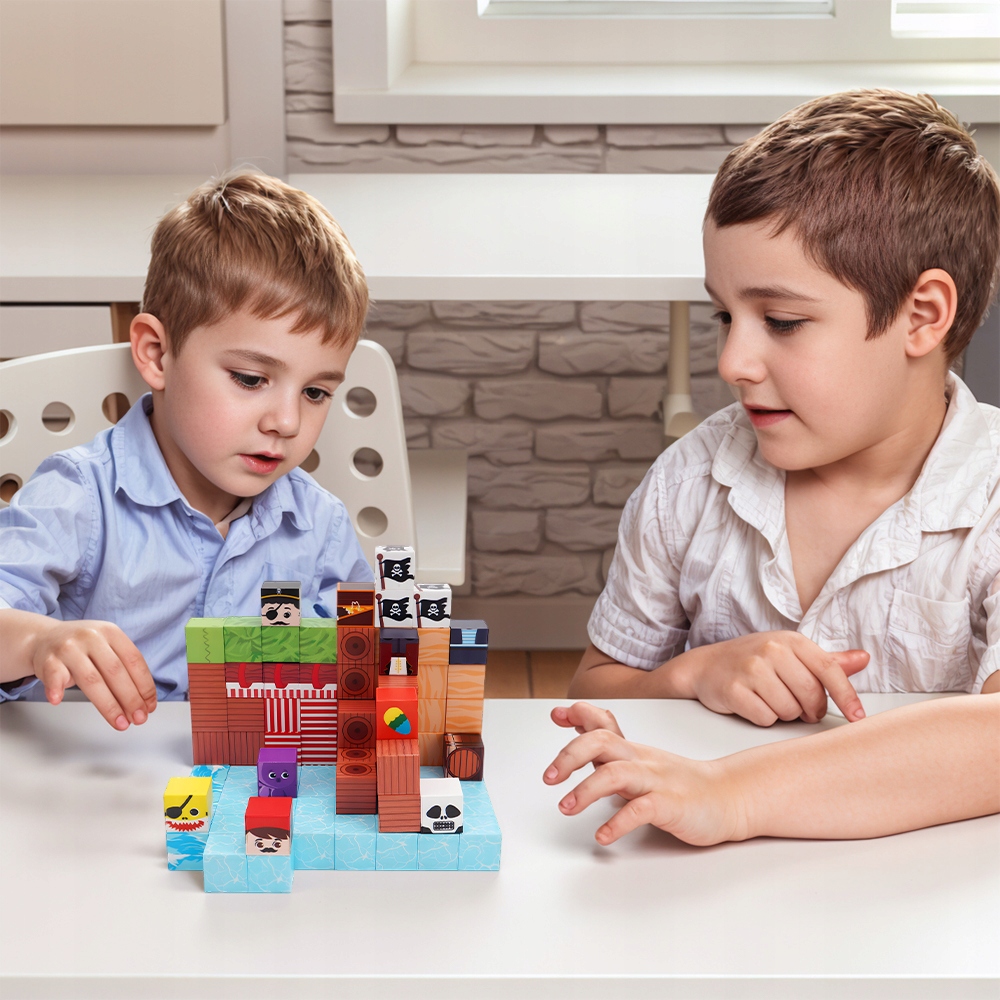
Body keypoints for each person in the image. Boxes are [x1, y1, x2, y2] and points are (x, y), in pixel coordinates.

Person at [570, 90, 1000, 725]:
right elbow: (593, 688)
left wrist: (735, 784)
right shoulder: (687, 485)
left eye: (782, 321)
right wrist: (690, 674)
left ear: (922, 316)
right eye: (725, 315)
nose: (732, 363)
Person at [0, 171, 372, 730]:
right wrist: (38, 641)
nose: (287, 422)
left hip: (249, 772)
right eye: (251, 379)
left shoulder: (320, 526)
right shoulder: (79, 496)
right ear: (156, 354)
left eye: (315, 392)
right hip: (90, 773)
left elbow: (364, 658)